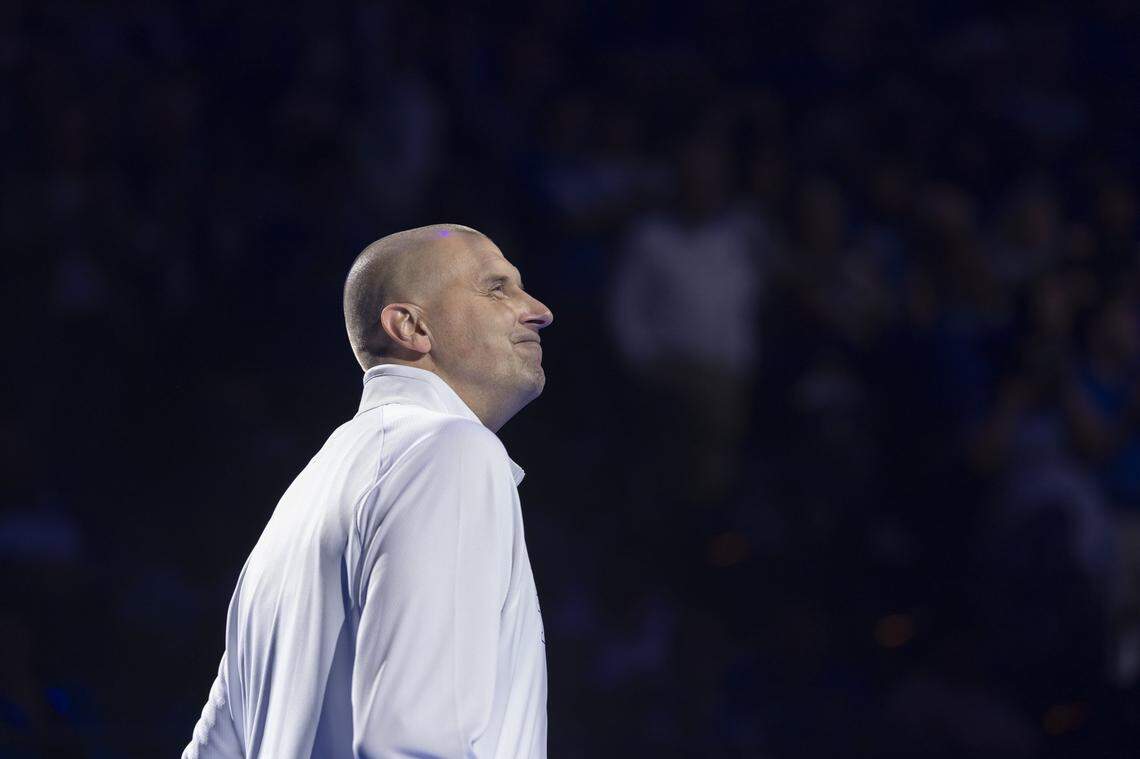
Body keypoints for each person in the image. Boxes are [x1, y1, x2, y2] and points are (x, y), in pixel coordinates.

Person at [182, 223, 554, 758]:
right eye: (497, 288)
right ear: (410, 326)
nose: (539, 310)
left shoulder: (296, 508)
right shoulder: (449, 452)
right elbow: (410, 741)